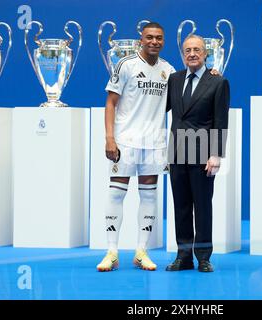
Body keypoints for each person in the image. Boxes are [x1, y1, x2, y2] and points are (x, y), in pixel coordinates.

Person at [96, 22, 175, 272]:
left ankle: (141, 251)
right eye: (149, 37)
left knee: (149, 196)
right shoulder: (126, 65)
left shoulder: (169, 70)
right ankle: (111, 251)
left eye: (159, 38)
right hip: (125, 142)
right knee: (116, 194)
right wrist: (110, 138)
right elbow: (110, 103)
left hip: (153, 144)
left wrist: (211, 74)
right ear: (141, 39)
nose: (154, 41)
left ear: (164, 41)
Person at [166, 34, 230, 272]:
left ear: (205, 54)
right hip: (176, 153)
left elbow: (221, 120)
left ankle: (203, 257)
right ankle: (183, 257)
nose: (192, 54)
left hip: (203, 155)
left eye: (197, 50)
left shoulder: (218, 82)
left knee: (202, 207)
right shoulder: (174, 79)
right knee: (180, 207)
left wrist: (216, 155)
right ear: (183, 54)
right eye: (187, 50)